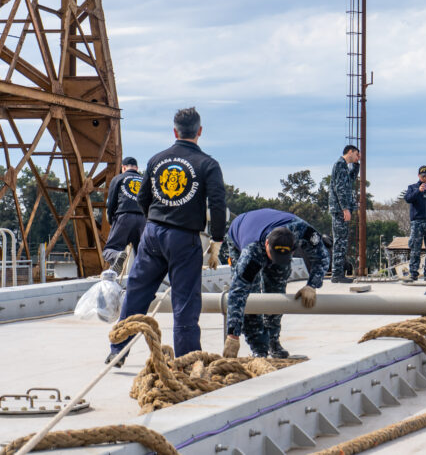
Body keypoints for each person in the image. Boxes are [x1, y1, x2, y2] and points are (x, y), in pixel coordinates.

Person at [107, 107, 226, 364]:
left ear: (175, 131)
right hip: (184, 238)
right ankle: (186, 359)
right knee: (184, 302)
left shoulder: (156, 160)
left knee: (137, 292)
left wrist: (155, 220)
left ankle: (118, 349)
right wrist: (216, 240)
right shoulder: (208, 164)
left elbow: (142, 198)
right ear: (200, 132)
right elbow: (217, 205)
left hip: (152, 233)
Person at [222, 208, 329, 359]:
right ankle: (259, 348)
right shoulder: (252, 251)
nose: (273, 262)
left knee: (276, 290)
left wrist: (312, 285)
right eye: (273, 256)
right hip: (240, 231)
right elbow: (238, 292)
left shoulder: (302, 231)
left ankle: (273, 341)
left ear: (293, 249)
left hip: (270, 232)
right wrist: (233, 335)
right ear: (267, 244)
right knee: (252, 297)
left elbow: (322, 257)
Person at [103, 156, 145, 275]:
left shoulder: (118, 179)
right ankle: (143, 285)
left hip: (124, 217)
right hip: (143, 219)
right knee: (142, 256)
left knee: (109, 250)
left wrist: (112, 221)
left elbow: (111, 203)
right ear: (137, 168)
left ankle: (116, 255)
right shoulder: (144, 181)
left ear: (123, 167)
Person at [328, 144, 361, 283]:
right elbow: (340, 188)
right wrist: (345, 209)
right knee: (340, 242)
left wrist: (356, 165)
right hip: (340, 209)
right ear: (350, 152)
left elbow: (350, 181)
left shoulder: (344, 167)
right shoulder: (340, 165)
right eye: (357, 154)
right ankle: (337, 275)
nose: (358, 156)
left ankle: (338, 274)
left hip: (341, 208)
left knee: (342, 241)